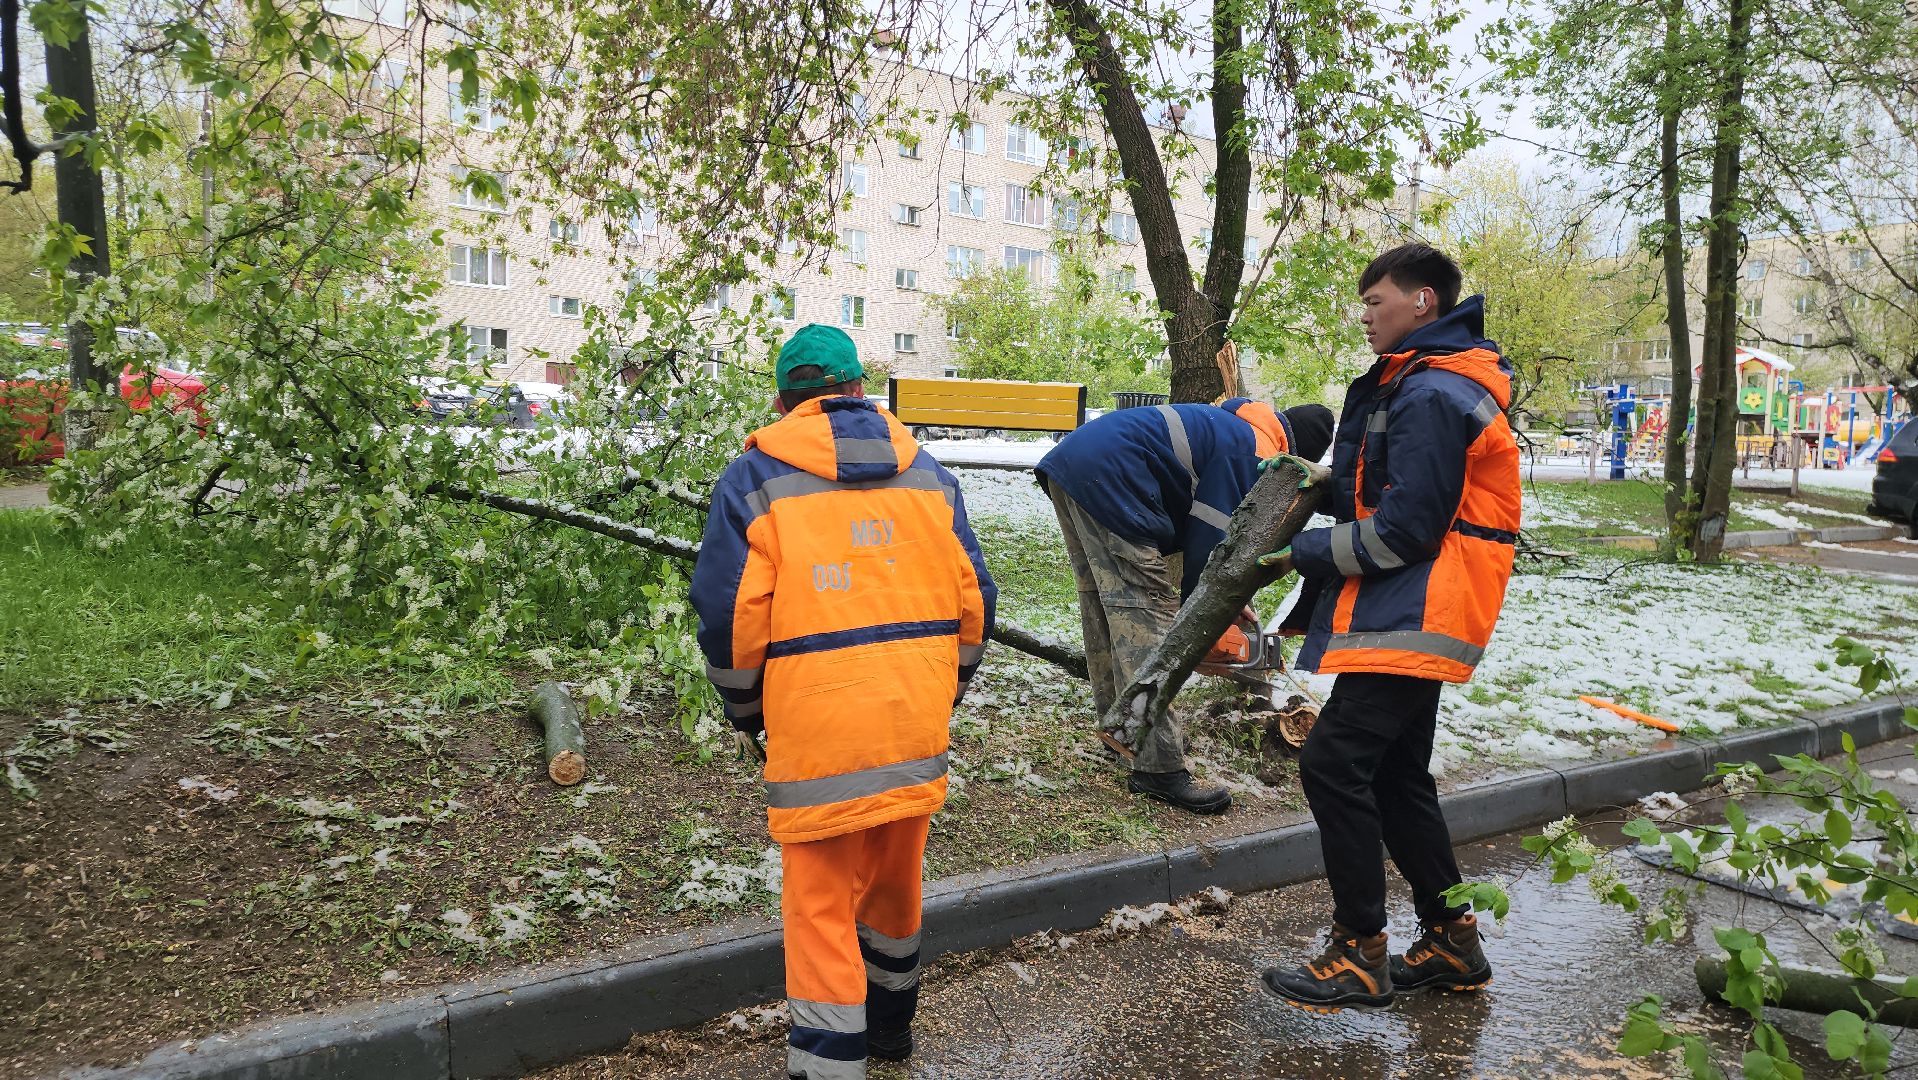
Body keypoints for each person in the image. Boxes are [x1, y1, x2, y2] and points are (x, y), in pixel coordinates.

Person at [690, 324, 996, 1078]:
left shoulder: (756, 478)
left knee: (820, 906)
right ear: (860, 389)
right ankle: (891, 1033)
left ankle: (829, 1067)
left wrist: (749, 713)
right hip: (912, 719)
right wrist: (942, 692)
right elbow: (974, 602)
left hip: (819, 730)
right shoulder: (927, 473)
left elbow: (731, 619)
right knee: (894, 883)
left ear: (784, 400)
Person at [1260, 243, 1520, 1012]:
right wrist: (1325, 482)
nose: (1366, 314)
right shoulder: (1427, 384)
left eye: (1377, 300)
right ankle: (1452, 942)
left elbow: (1407, 527)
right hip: (1419, 609)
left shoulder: (1434, 392)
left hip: (1420, 607)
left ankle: (1359, 952)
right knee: (1397, 777)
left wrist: (1299, 554)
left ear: (1424, 304)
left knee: (1332, 764)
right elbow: (1388, 488)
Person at [1034, 394, 1334, 814]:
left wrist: (1232, 608)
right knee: (1144, 619)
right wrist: (1207, 611)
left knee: (1105, 609)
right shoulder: (1254, 451)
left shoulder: (1233, 424)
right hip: (1112, 480)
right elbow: (1213, 540)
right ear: (1297, 453)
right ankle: (1159, 769)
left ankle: (1121, 732)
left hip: (1073, 467)